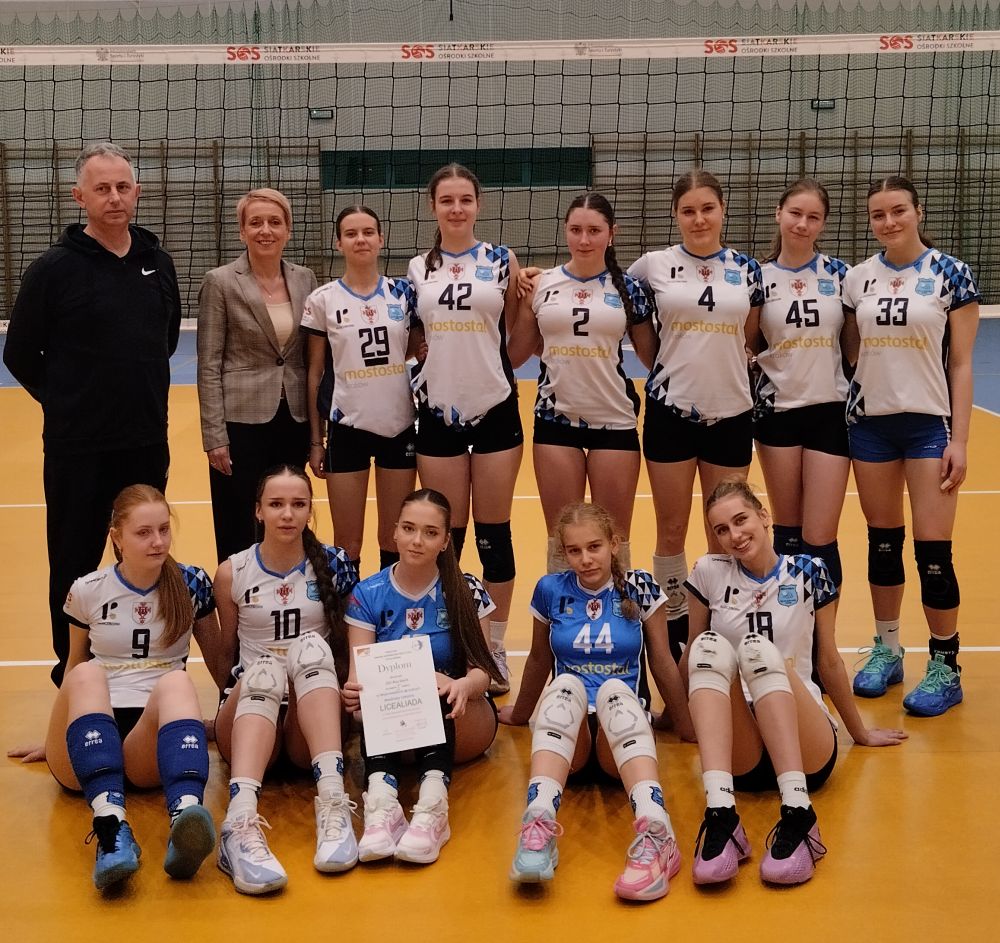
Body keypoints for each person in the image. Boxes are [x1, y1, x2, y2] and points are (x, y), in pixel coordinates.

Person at [3, 142, 181, 688]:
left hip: (144, 442)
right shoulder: (53, 270)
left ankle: (144, 667)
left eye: (122, 187)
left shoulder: (159, 262)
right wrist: (65, 400)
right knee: (73, 560)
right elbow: (19, 353)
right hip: (77, 448)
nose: (114, 197)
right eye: (102, 188)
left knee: (146, 555)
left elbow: (167, 340)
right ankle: (74, 676)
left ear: (137, 192)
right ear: (79, 196)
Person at [681, 478, 906, 887]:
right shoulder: (709, 571)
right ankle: (722, 815)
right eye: (721, 529)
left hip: (805, 742)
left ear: (764, 516)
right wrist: (684, 718)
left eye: (741, 520)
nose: (734, 535)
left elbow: (828, 660)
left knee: (758, 651)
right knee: (707, 647)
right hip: (744, 749)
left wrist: (859, 732)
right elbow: (690, 662)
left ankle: (800, 815)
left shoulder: (808, 571)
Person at [499, 502, 694, 901]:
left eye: (594, 547)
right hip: (568, 741)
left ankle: (658, 830)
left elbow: (661, 659)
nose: (585, 559)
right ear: (563, 553)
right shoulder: (550, 589)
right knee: (565, 685)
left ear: (614, 544)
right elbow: (538, 659)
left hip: (620, 739)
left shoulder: (639, 587)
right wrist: (520, 714)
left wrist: (684, 723)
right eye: (574, 551)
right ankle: (538, 826)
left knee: (615, 692)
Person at [34, 485, 222, 890]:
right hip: (90, 726)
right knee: (88, 673)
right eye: (143, 533)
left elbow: (219, 662)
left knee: (177, 679)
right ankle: (111, 828)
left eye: (164, 530)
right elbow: (73, 666)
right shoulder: (88, 588)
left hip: (148, 743)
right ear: (116, 537)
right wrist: (56, 733)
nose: (158, 542)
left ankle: (186, 820)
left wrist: (228, 721)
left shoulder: (191, 583)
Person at [842, 176, 980, 716]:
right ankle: (889, 649)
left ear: (918, 211)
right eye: (878, 214)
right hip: (870, 426)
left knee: (933, 552)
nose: (889, 221)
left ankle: (946, 666)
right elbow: (850, 352)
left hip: (928, 427)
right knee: (882, 543)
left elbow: (961, 364)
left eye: (898, 210)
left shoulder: (951, 273)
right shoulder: (857, 279)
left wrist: (960, 439)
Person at [626, 170, 763, 660]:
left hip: (732, 413)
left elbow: (749, 336)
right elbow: (605, 283)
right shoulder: (654, 265)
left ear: (723, 210)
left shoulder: (747, 270)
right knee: (671, 528)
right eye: (688, 210)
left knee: (725, 529)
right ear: (676, 215)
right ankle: (676, 625)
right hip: (671, 414)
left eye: (707, 208)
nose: (699, 219)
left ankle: (724, 620)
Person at [212, 465, 359, 894]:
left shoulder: (334, 565)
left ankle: (333, 803)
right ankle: (239, 824)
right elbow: (225, 654)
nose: (287, 514)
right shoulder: (233, 571)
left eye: (298, 504)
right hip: (250, 718)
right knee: (264, 669)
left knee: (310, 648)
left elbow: (348, 645)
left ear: (311, 510)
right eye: (276, 504)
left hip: (305, 726)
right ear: (258, 511)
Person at [407, 163, 523, 693]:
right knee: (446, 537)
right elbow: (412, 335)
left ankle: (493, 645)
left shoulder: (502, 261)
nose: (456, 208)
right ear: (432, 206)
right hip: (438, 411)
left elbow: (519, 330)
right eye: (446, 200)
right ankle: (455, 641)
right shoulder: (416, 269)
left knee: (494, 533)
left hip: (495, 406)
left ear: (479, 205)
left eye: (465, 199)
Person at [343, 488, 505, 865]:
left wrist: (461, 684)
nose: (417, 540)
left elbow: (484, 674)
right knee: (390, 691)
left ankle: (434, 806)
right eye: (409, 528)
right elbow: (358, 685)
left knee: (429, 684)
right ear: (394, 532)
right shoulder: (368, 593)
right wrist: (355, 696)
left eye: (430, 533)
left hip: (462, 718)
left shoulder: (465, 589)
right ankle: (382, 805)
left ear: (446, 541)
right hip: (392, 730)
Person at [507, 194, 655, 572]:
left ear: (611, 233)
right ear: (565, 231)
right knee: (563, 541)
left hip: (615, 420)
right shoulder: (542, 284)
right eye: (576, 230)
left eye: (594, 230)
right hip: (556, 420)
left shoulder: (630, 289)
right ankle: (560, 609)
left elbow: (653, 357)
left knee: (614, 540)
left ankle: (620, 606)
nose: (584, 240)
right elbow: (517, 354)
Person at [197, 188, 318, 563]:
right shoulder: (220, 282)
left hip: (294, 419)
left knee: (287, 516)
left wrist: (318, 432)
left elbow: (313, 357)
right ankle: (235, 593)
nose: (266, 230)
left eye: (275, 222)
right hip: (240, 423)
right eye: (256, 223)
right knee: (237, 520)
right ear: (242, 231)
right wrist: (214, 436)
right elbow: (209, 364)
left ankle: (285, 588)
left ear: (288, 230)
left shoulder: (305, 279)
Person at [302, 205, 422, 573]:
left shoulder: (403, 293)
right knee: (347, 542)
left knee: (393, 537)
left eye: (368, 232)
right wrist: (316, 441)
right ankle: (348, 610)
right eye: (351, 233)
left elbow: (416, 350)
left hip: (398, 426)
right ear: (338, 243)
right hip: (346, 427)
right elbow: (315, 373)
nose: (361, 239)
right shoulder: (323, 300)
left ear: (381, 239)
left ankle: (388, 605)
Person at [751, 179, 850, 591]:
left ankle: (823, 631)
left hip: (830, 411)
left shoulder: (841, 275)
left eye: (813, 217)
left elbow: (854, 348)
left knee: (820, 539)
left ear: (823, 224)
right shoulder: (756, 277)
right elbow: (747, 344)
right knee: (788, 535)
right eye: (795, 213)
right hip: (777, 414)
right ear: (778, 214)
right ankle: (790, 625)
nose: (802, 224)